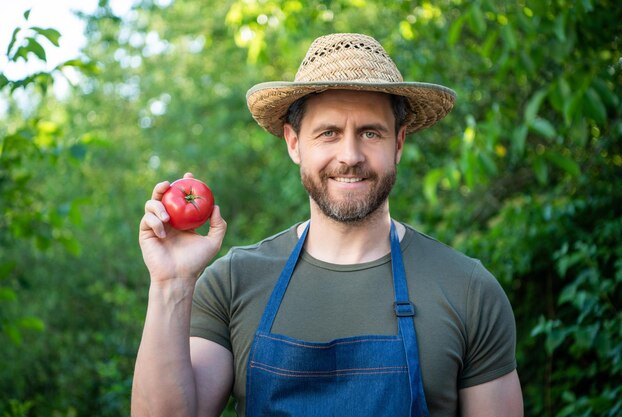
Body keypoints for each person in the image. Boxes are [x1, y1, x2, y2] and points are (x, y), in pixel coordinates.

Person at [132, 33, 523, 417]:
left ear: (398, 143)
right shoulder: (233, 282)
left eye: (371, 132)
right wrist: (171, 284)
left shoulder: (469, 290)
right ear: (294, 142)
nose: (349, 155)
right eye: (329, 133)